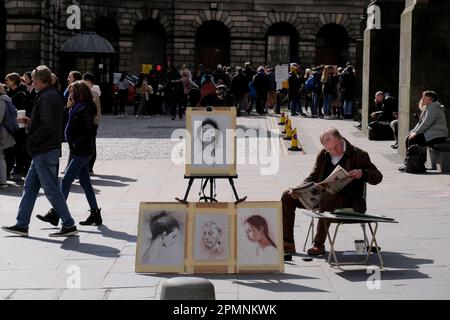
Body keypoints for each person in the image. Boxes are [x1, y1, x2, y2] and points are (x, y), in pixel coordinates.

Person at [1, 65, 78, 237]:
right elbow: (47, 123)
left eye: (34, 79)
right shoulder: (51, 95)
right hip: (44, 150)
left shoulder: (45, 97)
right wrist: (30, 121)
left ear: (39, 80)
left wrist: (31, 141)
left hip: (43, 150)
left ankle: (69, 224)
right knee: (29, 187)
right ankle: (22, 224)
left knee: (51, 190)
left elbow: (47, 126)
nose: (32, 82)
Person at [281, 128, 383, 256]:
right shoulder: (323, 155)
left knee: (327, 197)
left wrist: (362, 173)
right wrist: (298, 189)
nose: (334, 152)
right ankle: (288, 244)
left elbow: (378, 177)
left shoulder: (358, 154)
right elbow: (312, 177)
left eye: (336, 147)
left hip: (350, 200)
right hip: (323, 197)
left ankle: (318, 244)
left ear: (341, 139)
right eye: (329, 149)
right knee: (287, 196)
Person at [398, 91, 448, 171]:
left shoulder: (433, 108)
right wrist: (413, 131)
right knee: (409, 138)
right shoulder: (428, 107)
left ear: (430, 99)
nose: (422, 99)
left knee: (413, 139)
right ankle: (410, 163)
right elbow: (420, 123)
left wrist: (416, 133)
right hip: (431, 134)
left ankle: (414, 164)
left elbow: (427, 123)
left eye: (424, 97)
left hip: (438, 135)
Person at [82, 73, 101, 175]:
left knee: (91, 144)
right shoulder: (88, 92)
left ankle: (90, 166)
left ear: (88, 81)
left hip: (92, 122)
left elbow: (97, 110)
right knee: (90, 144)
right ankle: (87, 167)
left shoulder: (93, 93)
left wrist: (95, 121)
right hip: (89, 122)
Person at [0, 84, 16, 187]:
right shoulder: (5, 100)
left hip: (1, 133)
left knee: (0, 157)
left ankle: (2, 180)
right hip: (3, 132)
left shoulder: (1, 101)